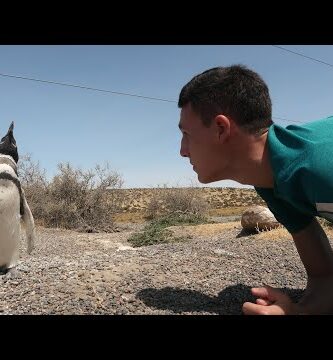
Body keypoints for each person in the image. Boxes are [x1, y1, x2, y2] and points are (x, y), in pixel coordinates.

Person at [177, 64, 333, 315]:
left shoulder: (322, 167)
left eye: (186, 134)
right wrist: (296, 312)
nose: (183, 150)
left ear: (221, 128)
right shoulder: (271, 181)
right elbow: (325, 278)